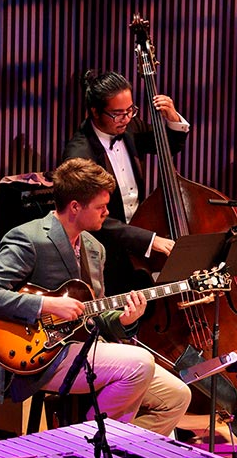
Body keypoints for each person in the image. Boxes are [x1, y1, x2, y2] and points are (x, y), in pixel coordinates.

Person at [0, 157, 192, 435]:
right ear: (75, 207)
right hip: (44, 355)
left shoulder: (94, 248)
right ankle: (87, 446)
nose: (106, 212)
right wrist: (45, 304)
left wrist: (124, 321)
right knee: (139, 362)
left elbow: (94, 317)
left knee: (177, 395)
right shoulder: (28, 238)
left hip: (86, 348)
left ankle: (117, 455)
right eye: (100, 207)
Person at [61, 67, 191, 291]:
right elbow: (93, 219)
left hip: (138, 249)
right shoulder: (80, 154)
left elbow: (168, 144)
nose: (127, 118)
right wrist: (149, 240)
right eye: (118, 113)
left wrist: (172, 117)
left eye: (131, 110)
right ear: (95, 112)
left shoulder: (130, 127)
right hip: (105, 255)